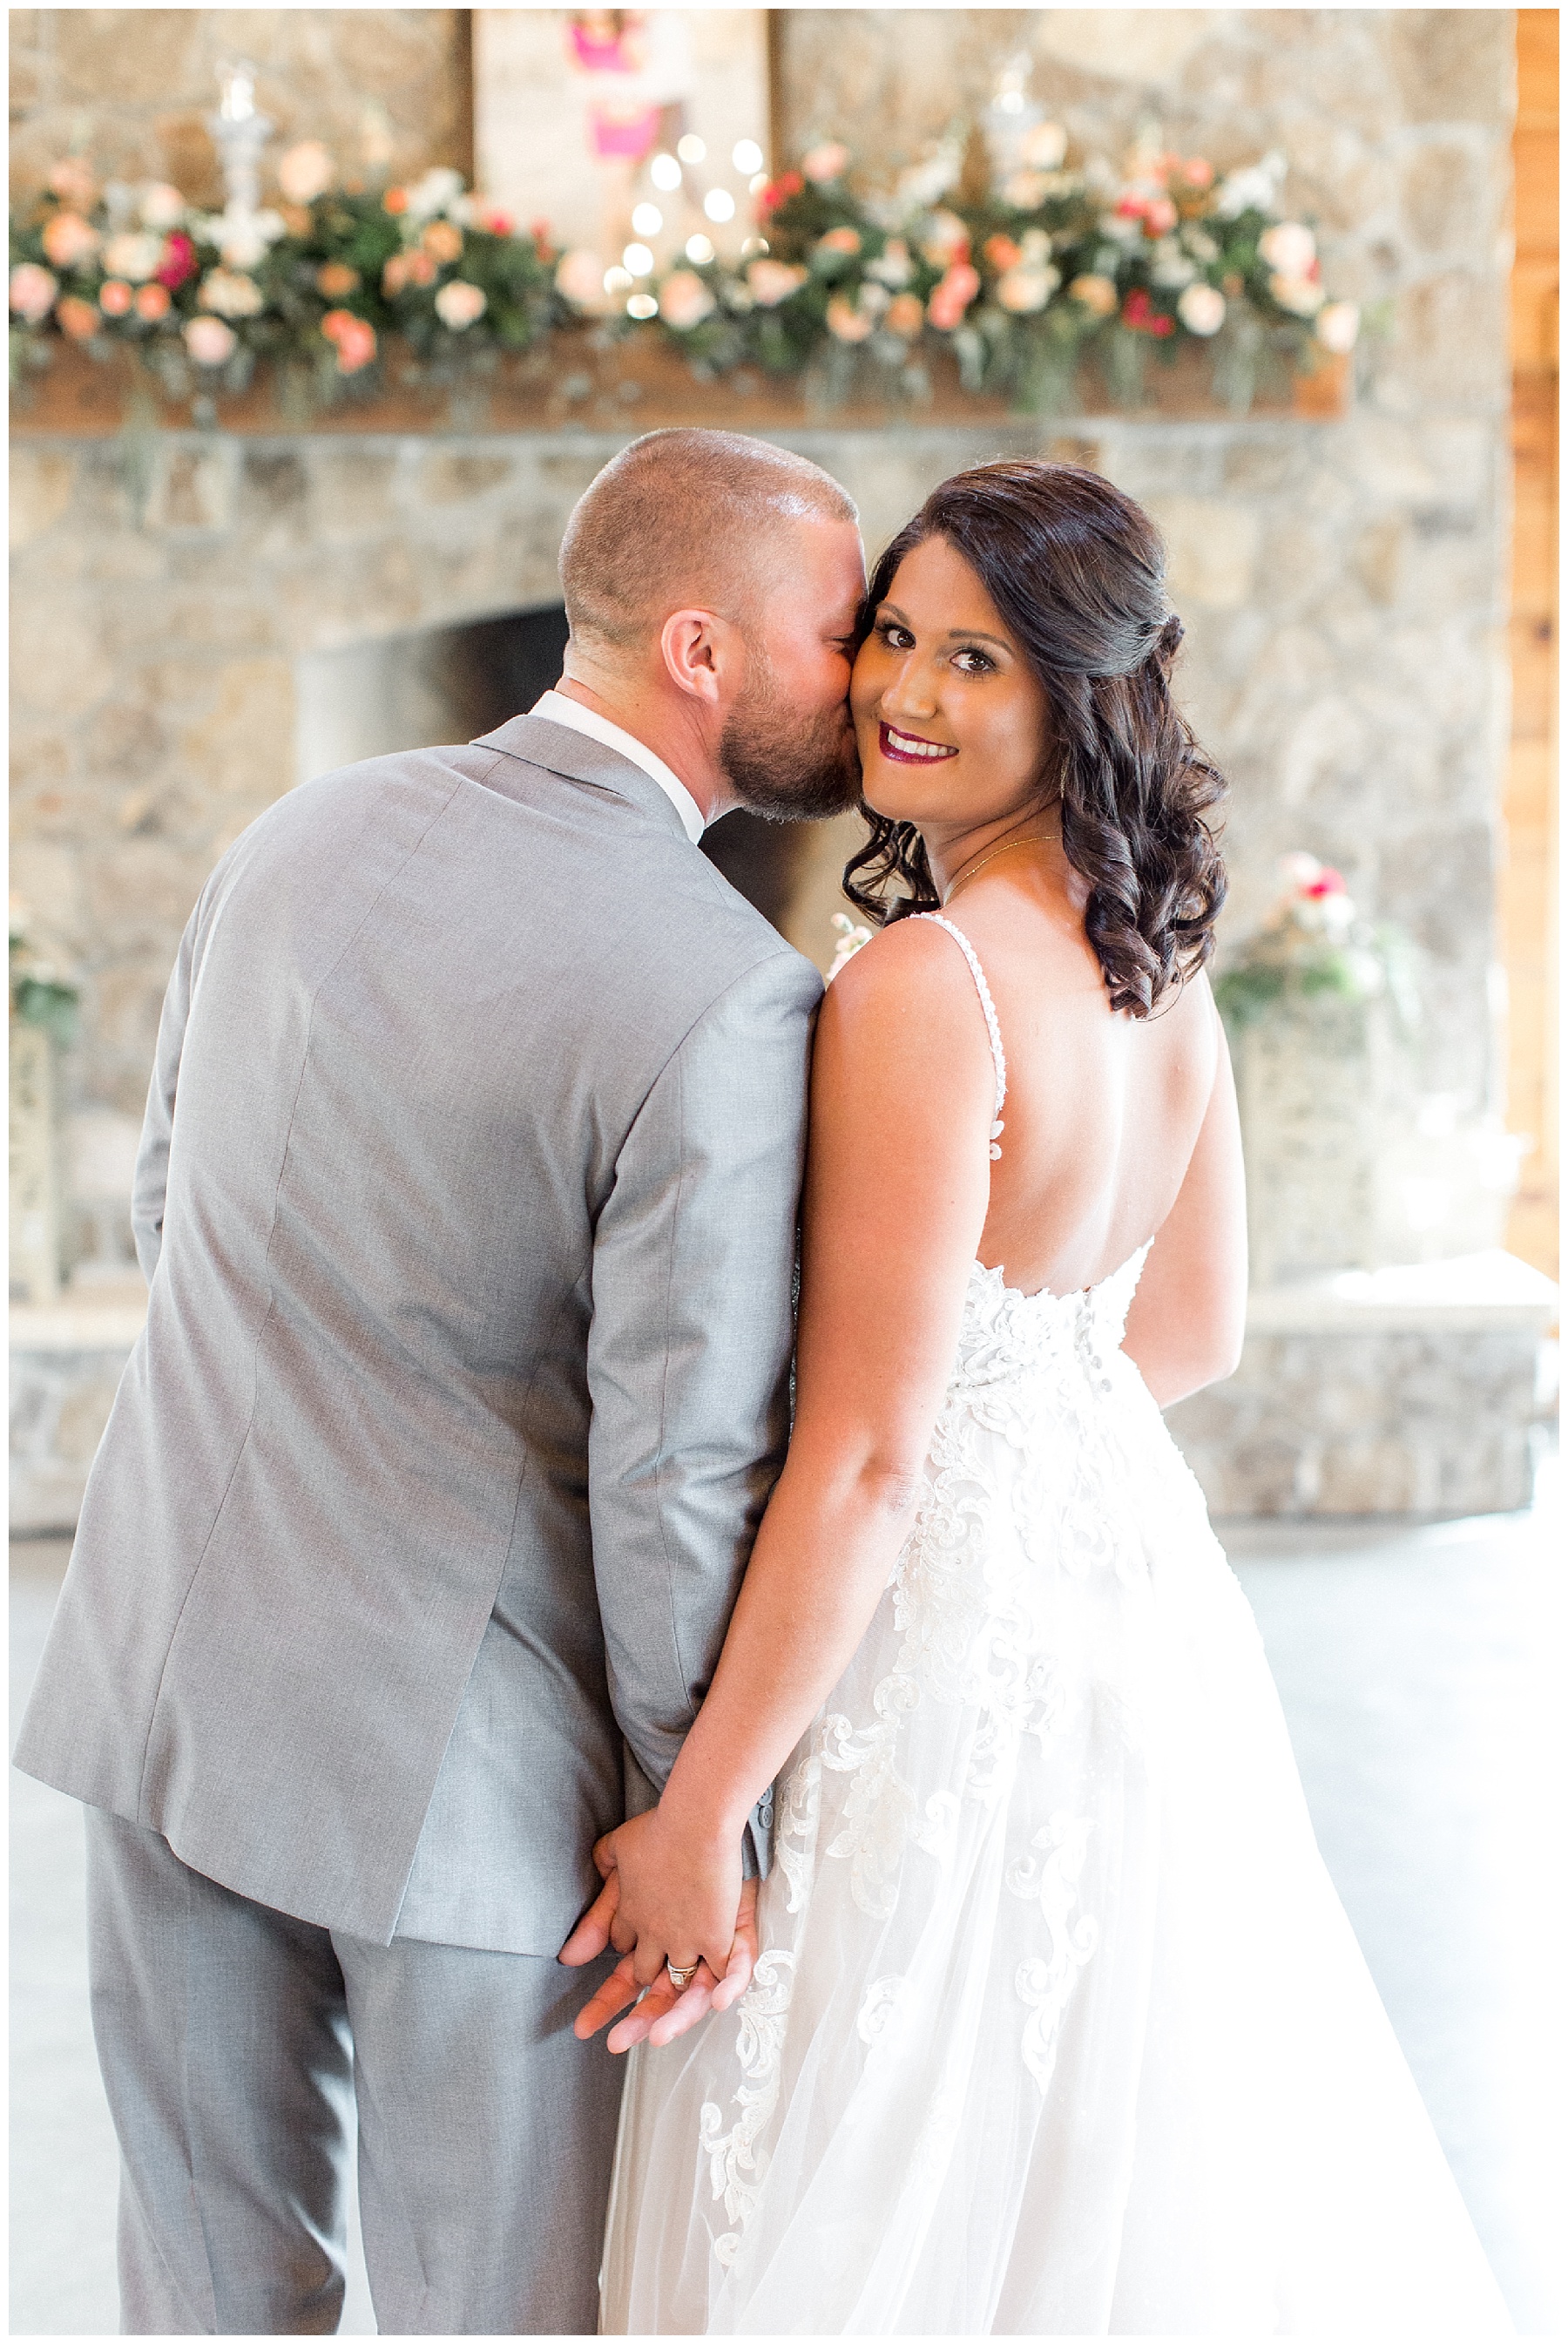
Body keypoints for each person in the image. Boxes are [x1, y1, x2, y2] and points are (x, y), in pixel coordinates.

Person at [571, 460, 1515, 2335]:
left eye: (974, 659)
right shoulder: (1161, 972)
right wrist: (1039, 1434)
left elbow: (861, 1458)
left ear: (1078, 692)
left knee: (902, 2141)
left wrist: (700, 1815)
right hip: (1122, 1618)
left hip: (934, 1641)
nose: (905, 693)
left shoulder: (925, 982)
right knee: (1099, 2143)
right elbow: (1193, 1327)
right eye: (893, 636)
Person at [12, 427, 866, 2335]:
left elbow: (173, 1204)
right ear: (708, 653)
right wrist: (685, 1813)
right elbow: (676, 1468)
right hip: (463, 1792)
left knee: (209, 2300)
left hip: (162, 1683)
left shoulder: (295, 830)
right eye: (840, 627)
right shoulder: (724, 994)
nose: (871, 666)